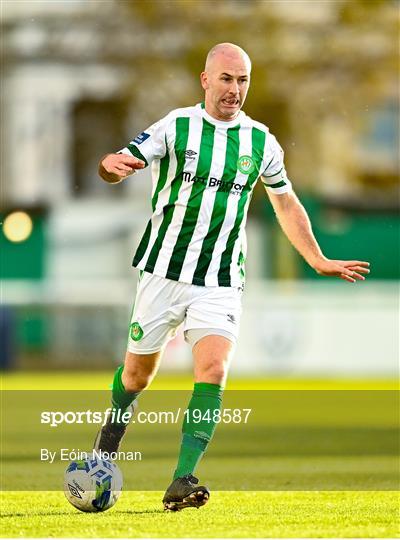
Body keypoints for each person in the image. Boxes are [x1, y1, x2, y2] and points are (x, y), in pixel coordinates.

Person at [95, 43, 370, 511]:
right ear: (205, 80)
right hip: (163, 270)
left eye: (242, 80)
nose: (235, 90)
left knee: (214, 369)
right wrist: (111, 167)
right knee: (138, 376)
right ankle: (103, 452)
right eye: (226, 79)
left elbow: (286, 202)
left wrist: (317, 258)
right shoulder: (176, 126)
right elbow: (120, 161)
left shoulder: (260, 141)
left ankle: (182, 478)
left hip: (221, 277)